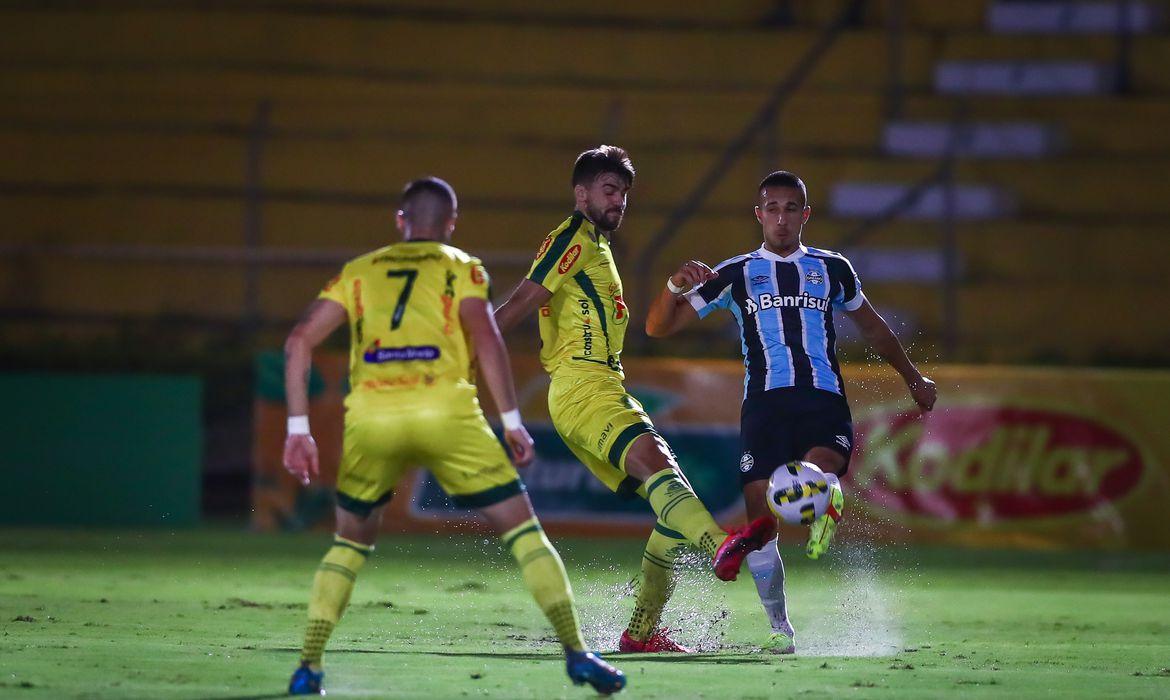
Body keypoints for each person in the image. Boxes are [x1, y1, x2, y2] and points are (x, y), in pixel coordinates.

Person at [281, 177, 626, 695]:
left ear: (400, 221)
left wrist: (298, 428)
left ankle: (308, 666)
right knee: (525, 533)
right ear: (451, 224)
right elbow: (486, 337)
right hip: (447, 414)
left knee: (348, 546)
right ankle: (577, 653)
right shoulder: (462, 266)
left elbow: (299, 341)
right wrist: (511, 422)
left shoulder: (358, 272)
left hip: (374, 418)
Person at [643, 170, 937, 654]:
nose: (781, 218)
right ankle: (781, 628)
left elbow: (874, 328)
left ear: (806, 214)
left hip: (822, 397)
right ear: (758, 215)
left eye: (791, 208)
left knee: (814, 472)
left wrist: (913, 377)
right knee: (762, 524)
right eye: (772, 209)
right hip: (764, 404)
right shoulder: (734, 274)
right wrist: (673, 285)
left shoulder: (832, 268)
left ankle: (825, 493)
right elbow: (657, 327)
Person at [494, 146, 773, 654]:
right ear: (581, 194)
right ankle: (719, 545)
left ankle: (640, 634)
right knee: (656, 462)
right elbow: (521, 302)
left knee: (670, 500)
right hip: (583, 385)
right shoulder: (572, 239)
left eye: (623, 192)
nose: (619, 199)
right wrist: (469, 352)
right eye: (608, 190)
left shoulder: (598, 247)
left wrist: (671, 285)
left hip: (601, 385)